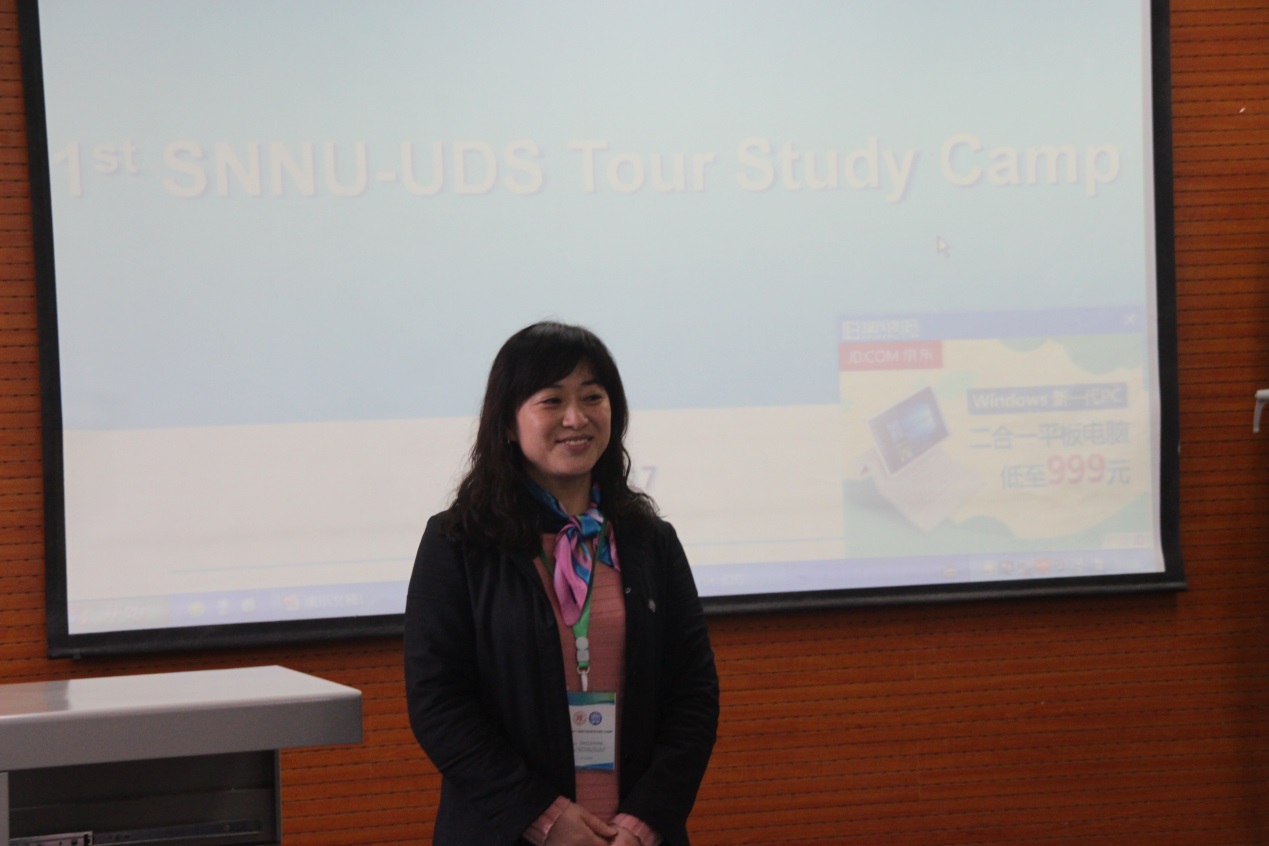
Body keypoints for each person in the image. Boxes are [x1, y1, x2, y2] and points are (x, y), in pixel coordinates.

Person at [404, 321, 720, 846]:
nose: (576, 418)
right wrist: (544, 819)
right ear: (508, 423)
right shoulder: (457, 543)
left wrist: (643, 823)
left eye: (592, 397)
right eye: (552, 401)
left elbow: (694, 696)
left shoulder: (649, 541)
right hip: (509, 832)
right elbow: (438, 703)